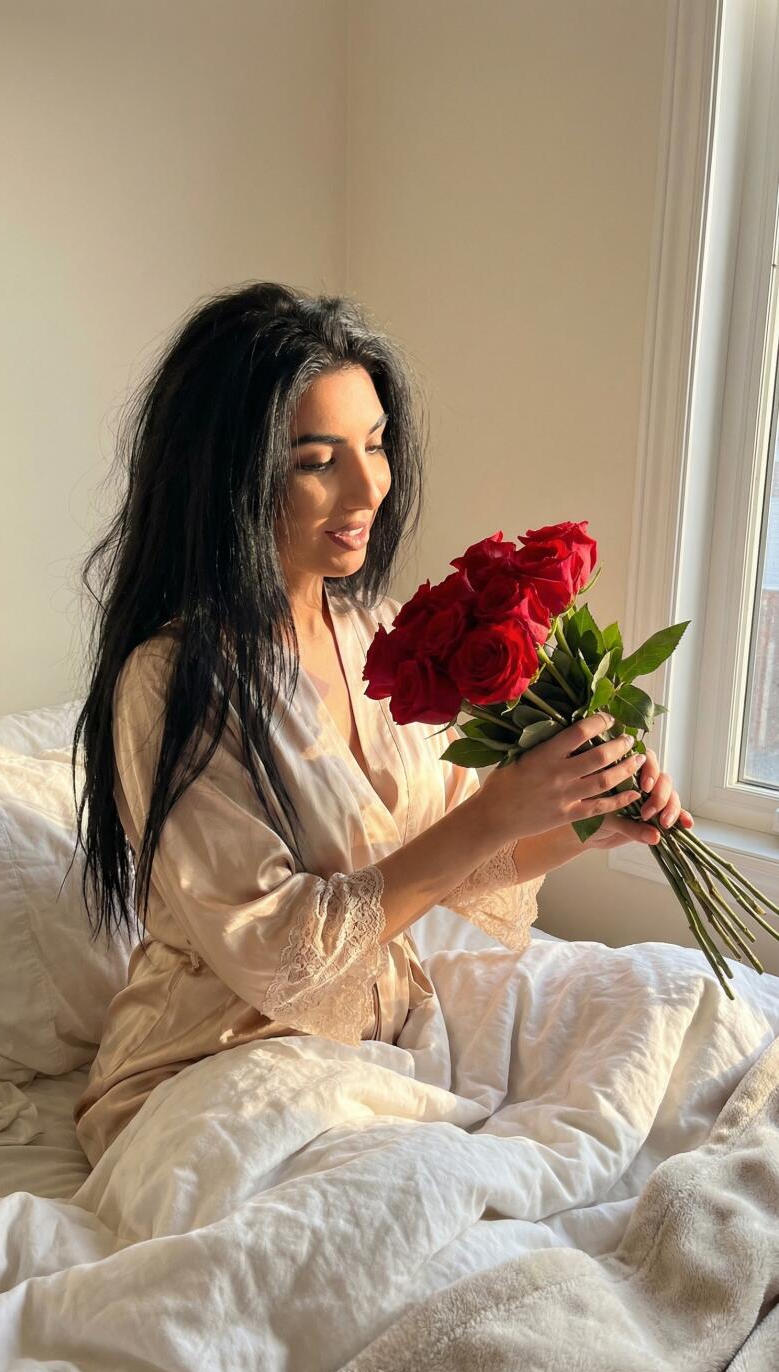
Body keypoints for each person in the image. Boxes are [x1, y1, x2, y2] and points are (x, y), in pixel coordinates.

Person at [70, 280, 687, 1169]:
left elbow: (457, 858)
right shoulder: (171, 683)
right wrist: (499, 811)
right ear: (229, 474)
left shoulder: (383, 638)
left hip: (378, 1043)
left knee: (674, 1019)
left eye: (375, 443)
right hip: (212, 1063)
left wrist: (584, 819)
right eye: (316, 460)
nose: (369, 486)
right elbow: (281, 951)